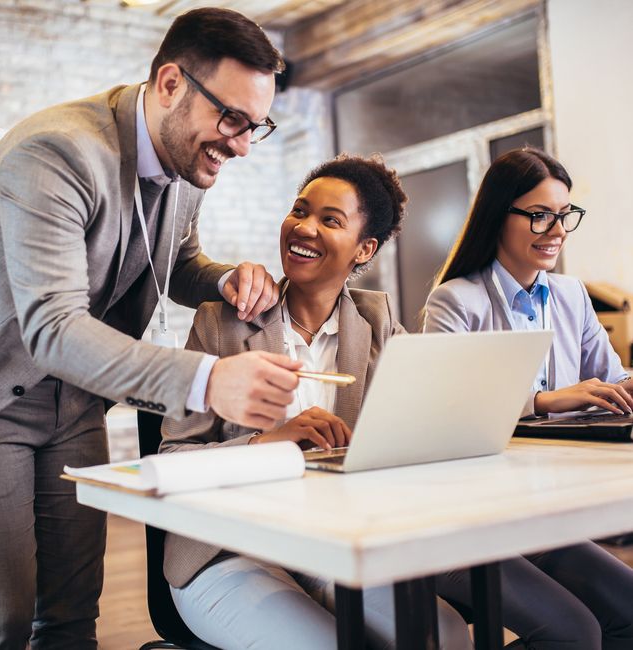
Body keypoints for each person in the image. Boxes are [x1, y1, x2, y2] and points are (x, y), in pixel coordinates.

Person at [0, 8, 304, 649]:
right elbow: (51, 326)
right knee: (4, 621)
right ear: (169, 84)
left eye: (255, 126)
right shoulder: (53, 153)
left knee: (72, 616)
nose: (241, 145)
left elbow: (171, 263)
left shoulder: (188, 161)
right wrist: (208, 380)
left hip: (75, 406)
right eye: (231, 119)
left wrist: (221, 280)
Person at [159, 154, 474, 650]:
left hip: (331, 546)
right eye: (300, 211)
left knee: (446, 635)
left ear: (364, 248)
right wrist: (269, 442)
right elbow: (173, 460)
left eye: (330, 220)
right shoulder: (220, 323)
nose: (303, 228)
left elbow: (419, 432)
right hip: (232, 548)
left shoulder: (377, 325)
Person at [424, 147, 633, 649]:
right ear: (500, 215)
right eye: (540, 215)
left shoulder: (570, 295)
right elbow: (443, 413)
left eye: (564, 216)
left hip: (537, 516)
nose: (556, 230)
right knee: (575, 632)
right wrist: (544, 401)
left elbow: (609, 382)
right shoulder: (455, 301)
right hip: (465, 522)